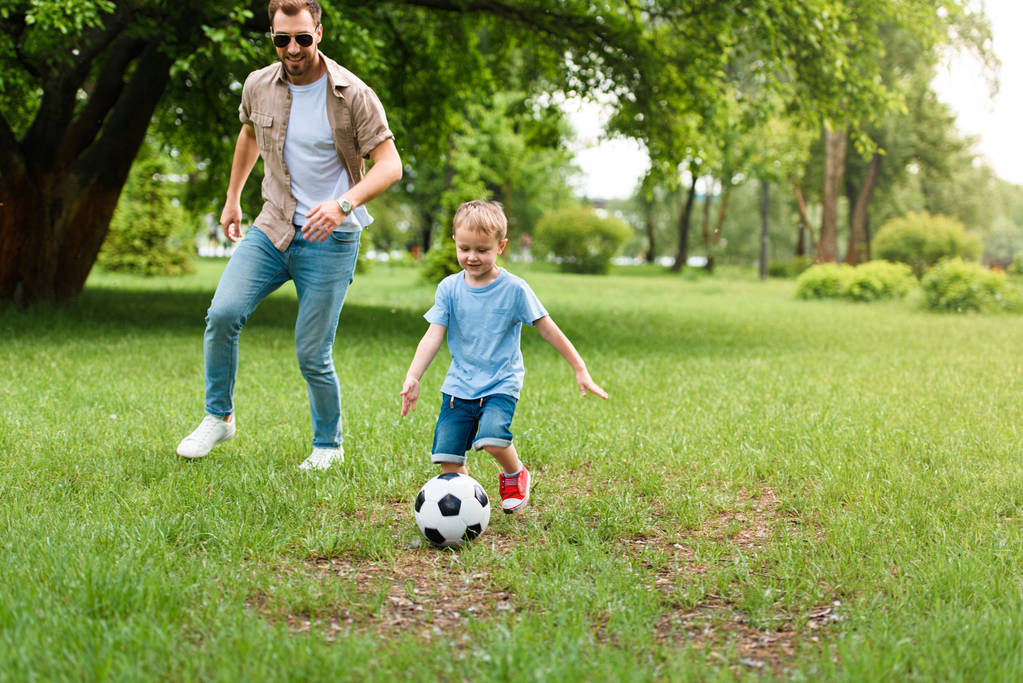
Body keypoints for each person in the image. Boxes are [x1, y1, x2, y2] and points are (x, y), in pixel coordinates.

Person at [176, 0, 402, 469]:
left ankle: (328, 446)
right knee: (222, 314)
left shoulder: (353, 94)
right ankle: (219, 417)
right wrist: (233, 196)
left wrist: (343, 205)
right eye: (283, 39)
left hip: (330, 238)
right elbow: (249, 135)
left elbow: (390, 166)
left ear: (318, 32)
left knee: (311, 352)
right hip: (274, 224)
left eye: (302, 37)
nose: (293, 48)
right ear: (273, 37)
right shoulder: (260, 84)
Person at [400, 201, 608, 513]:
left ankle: (515, 474)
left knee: (493, 439)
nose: (472, 257)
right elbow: (433, 335)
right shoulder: (448, 288)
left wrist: (580, 368)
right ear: (455, 241)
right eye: (465, 247)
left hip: (501, 382)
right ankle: (465, 508)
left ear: (501, 247)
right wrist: (414, 375)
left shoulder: (514, 289)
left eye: (482, 249)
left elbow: (548, 329)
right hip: (459, 385)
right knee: (447, 457)